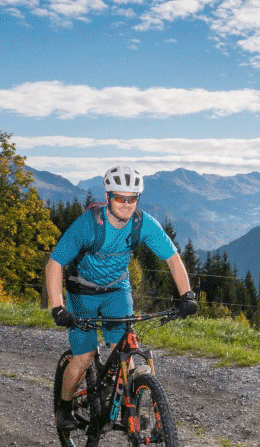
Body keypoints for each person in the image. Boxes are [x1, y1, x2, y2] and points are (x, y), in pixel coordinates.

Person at [45, 165, 198, 429]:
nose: (127, 204)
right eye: (120, 197)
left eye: (132, 198)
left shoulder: (143, 223)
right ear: (108, 197)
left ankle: (122, 399)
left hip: (117, 291)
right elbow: (55, 264)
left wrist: (187, 294)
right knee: (83, 357)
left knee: (125, 350)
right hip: (83, 293)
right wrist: (58, 307)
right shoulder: (88, 225)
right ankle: (65, 407)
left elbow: (173, 258)